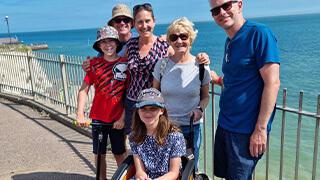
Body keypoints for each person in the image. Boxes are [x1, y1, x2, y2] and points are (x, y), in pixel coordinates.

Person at [209, 0, 281, 179]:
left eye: (226, 6)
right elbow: (237, 79)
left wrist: (261, 129)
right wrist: (217, 79)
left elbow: (272, 83)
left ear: (239, 4)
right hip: (225, 124)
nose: (222, 12)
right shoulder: (229, 41)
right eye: (215, 10)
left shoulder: (259, 34)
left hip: (245, 130)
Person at [124, 3, 210, 136]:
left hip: (153, 107)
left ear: (154, 22)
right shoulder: (130, 44)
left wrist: (204, 60)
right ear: (134, 24)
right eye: (140, 22)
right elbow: (119, 63)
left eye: (147, 21)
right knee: (134, 144)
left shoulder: (164, 45)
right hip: (133, 102)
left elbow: (181, 59)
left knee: (150, 146)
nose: (144, 25)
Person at [152, 17, 211, 172]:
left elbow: (205, 96)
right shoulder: (162, 65)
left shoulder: (201, 66)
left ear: (190, 39)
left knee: (189, 168)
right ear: (170, 41)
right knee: (165, 169)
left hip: (191, 128)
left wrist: (200, 109)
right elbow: (154, 94)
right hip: (166, 126)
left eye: (183, 36)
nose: (179, 41)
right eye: (174, 37)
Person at [76, 26, 128, 180]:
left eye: (111, 41)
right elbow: (83, 90)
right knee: (99, 154)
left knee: (120, 154)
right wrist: (80, 114)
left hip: (118, 118)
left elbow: (129, 94)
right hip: (98, 119)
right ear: (99, 45)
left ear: (117, 43)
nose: (108, 45)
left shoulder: (126, 63)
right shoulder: (93, 64)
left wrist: (123, 118)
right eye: (103, 42)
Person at [129, 88, 186, 180]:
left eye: (153, 109)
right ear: (138, 111)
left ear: (161, 111)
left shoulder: (175, 137)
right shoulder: (134, 136)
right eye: (143, 109)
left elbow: (174, 173)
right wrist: (142, 176)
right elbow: (140, 170)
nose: (148, 113)